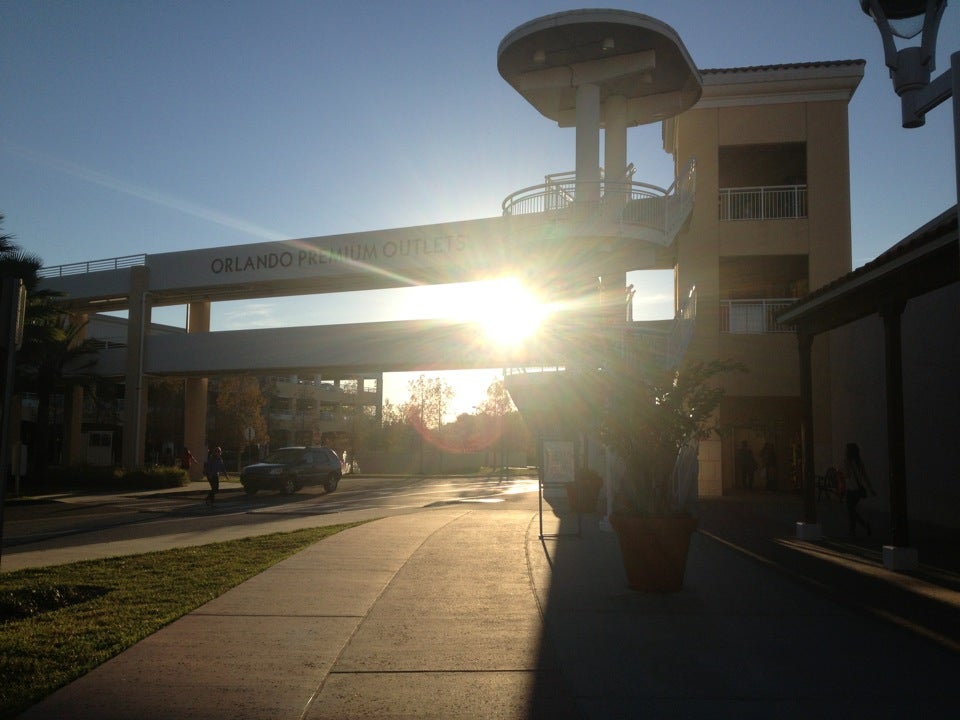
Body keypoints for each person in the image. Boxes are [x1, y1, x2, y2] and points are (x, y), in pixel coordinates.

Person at [842, 442, 875, 536]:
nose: (845, 451)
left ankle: (859, 527)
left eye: (846, 450)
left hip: (851, 490)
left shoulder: (848, 462)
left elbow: (847, 475)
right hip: (857, 490)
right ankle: (854, 529)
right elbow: (865, 476)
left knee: (850, 510)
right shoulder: (859, 463)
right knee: (851, 510)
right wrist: (870, 488)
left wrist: (844, 467)